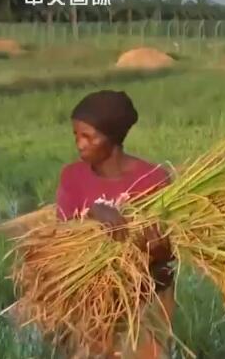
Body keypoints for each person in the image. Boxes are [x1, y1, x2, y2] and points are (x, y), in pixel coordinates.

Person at [55, 90, 174, 358]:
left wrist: (157, 250)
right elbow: (61, 238)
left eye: (88, 136)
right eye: (76, 136)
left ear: (112, 136)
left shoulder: (153, 179)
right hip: (91, 306)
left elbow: (170, 253)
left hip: (146, 304)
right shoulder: (72, 177)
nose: (80, 144)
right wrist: (91, 216)